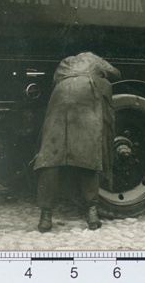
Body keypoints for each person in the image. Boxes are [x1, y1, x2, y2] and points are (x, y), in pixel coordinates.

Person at [33, 51, 121, 232]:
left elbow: (54, 82)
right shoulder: (94, 57)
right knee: (88, 151)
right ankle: (92, 214)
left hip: (60, 96)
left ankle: (45, 217)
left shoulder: (64, 62)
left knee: (51, 154)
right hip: (85, 94)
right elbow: (116, 74)